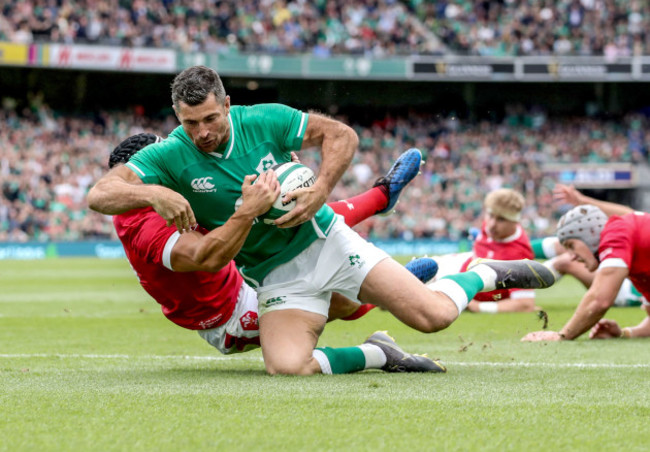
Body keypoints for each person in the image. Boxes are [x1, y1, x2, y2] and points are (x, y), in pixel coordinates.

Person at [88, 65, 555, 375]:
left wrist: (321, 191)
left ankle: (481, 274)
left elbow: (340, 135)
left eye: (210, 118)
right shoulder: (171, 155)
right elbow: (101, 193)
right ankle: (378, 353)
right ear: (177, 117)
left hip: (328, 243)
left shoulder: (264, 120)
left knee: (433, 317)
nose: (203, 132)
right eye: (191, 123)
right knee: (287, 369)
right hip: (274, 278)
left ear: (227, 103)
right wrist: (152, 191)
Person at [108, 132, 442, 373]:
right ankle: (380, 338)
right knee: (334, 300)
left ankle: (382, 205)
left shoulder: (176, 189)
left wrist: (282, 178)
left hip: (241, 279)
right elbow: (204, 256)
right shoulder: (139, 222)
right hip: (228, 316)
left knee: (289, 218)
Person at [522, 202, 650, 342]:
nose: (572, 256)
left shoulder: (616, 233)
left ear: (590, 235)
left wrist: (562, 336)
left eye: (571, 245)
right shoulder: (639, 260)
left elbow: (599, 300)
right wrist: (623, 333)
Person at [531, 184, 645, 307]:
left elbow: (630, 215)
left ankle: (517, 288)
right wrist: (582, 201)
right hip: (630, 280)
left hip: (633, 292)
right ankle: (517, 249)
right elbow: (631, 215)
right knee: (570, 244)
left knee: (567, 261)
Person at [431, 188, 539, 313]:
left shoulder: (519, 254)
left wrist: (478, 307)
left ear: (515, 221)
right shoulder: (492, 228)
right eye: (491, 215)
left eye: (501, 219)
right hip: (457, 266)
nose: (492, 224)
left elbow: (525, 304)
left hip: (460, 286)